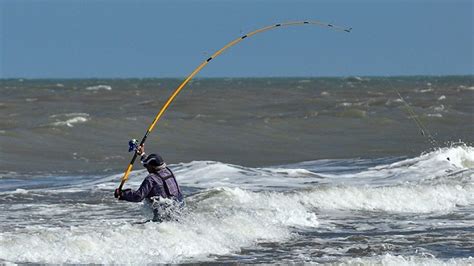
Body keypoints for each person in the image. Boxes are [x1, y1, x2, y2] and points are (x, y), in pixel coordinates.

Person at [114, 145, 184, 222]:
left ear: (152, 167)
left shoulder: (151, 179)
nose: (146, 167)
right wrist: (142, 154)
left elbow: (138, 196)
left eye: (147, 166)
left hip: (164, 218)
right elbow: (149, 163)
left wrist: (123, 194)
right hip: (177, 211)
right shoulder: (168, 171)